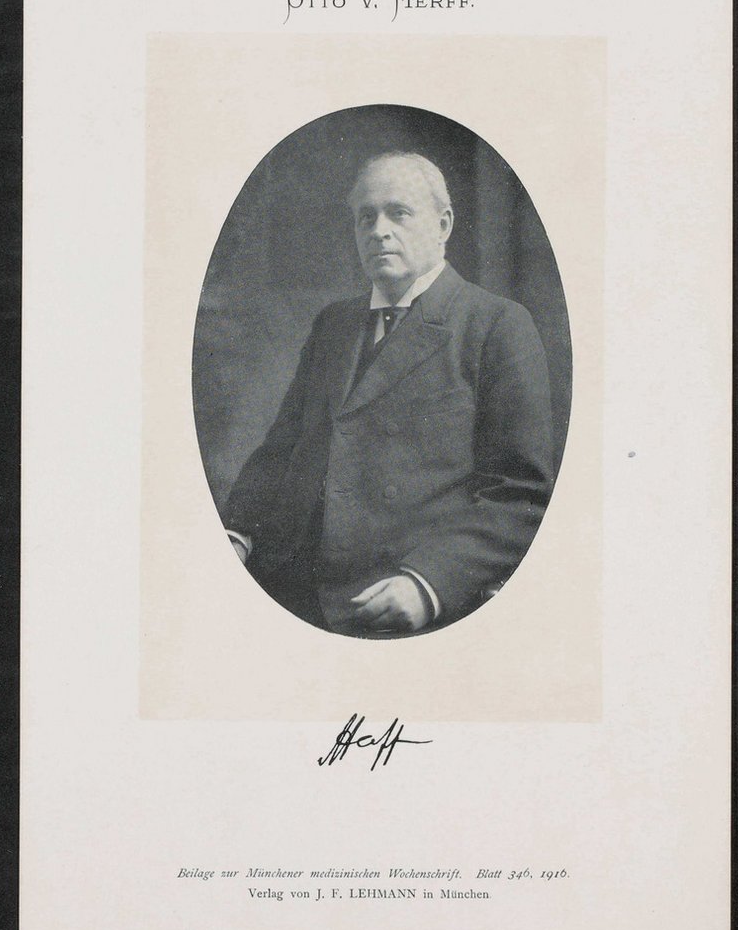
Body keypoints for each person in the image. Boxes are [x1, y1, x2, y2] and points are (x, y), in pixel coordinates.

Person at [223, 151, 554, 637]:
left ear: (443, 225)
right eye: (366, 217)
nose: (379, 230)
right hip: (289, 584)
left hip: (397, 595)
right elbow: (281, 450)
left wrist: (428, 583)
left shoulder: (496, 325)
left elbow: (520, 494)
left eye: (398, 213)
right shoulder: (334, 324)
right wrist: (237, 533)